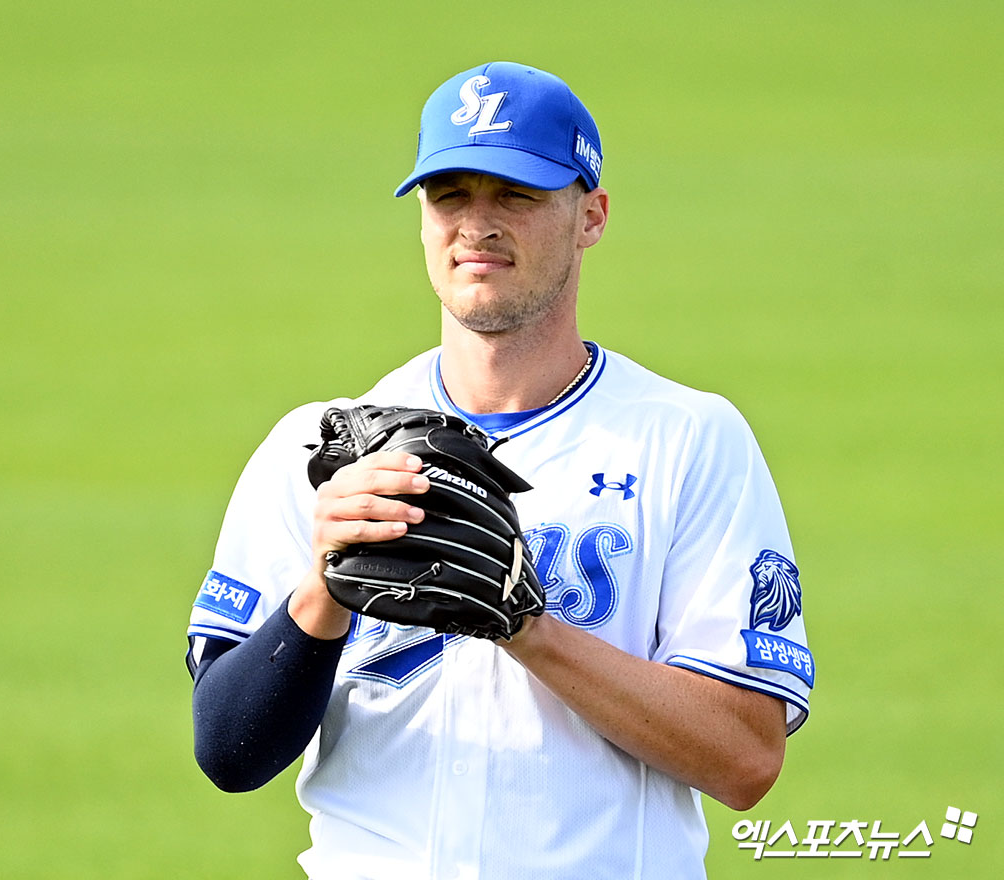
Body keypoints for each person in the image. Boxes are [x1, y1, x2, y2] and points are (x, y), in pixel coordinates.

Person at [186, 61, 813, 879]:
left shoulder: (687, 440)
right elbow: (228, 752)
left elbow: (745, 759)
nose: (476, 225)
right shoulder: (321, 452)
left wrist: (528, 630)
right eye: (450, 196)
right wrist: (321, 594)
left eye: (515, 195)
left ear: (591, 217)